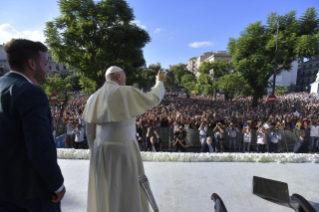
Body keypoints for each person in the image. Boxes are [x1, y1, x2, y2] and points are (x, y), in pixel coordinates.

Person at [82, 66, 165, 212]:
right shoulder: (125, 91)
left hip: (100, 150)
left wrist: (94, 152)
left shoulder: (93, 97)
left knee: (105, 191)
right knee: (125, 191)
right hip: (123, 151)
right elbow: (153, 98)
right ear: (119, 77)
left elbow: (90, 132)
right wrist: (159, 83)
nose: (125, 81)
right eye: (124, 78)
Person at [0, 39, 65, 211]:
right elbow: (39, 147)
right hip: (30, 194)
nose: (48, 69)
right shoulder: (30, 93)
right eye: (45, 63)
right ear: (31, 64)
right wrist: (57, 185)